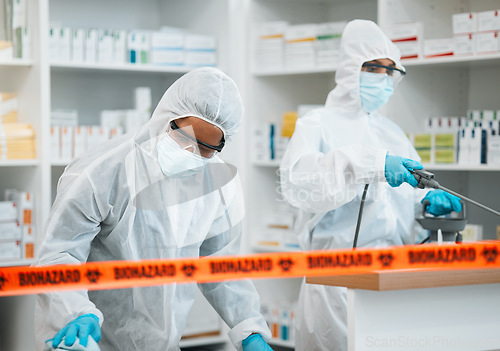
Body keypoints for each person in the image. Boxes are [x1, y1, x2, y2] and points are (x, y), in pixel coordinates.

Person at [34, 67, 274, 351]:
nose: (191, 154)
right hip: (86, 337)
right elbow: (60, 253)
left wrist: (249, 329)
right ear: (166, 118)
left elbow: (220, 266)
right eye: (184, 138)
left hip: (161, 343)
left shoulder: (219, 187)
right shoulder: (103, 171)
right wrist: (75, 311)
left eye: (206, 148)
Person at [279, 20, 462, 351]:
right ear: (352, 67)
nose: (385, 79)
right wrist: (367, 164)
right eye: (376, 68)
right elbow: (300, 186)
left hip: (392, 277)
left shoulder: (392, 132)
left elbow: (399, 204)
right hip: (334, 283)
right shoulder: (316, 125)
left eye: (392, 72)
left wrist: (428, 205)